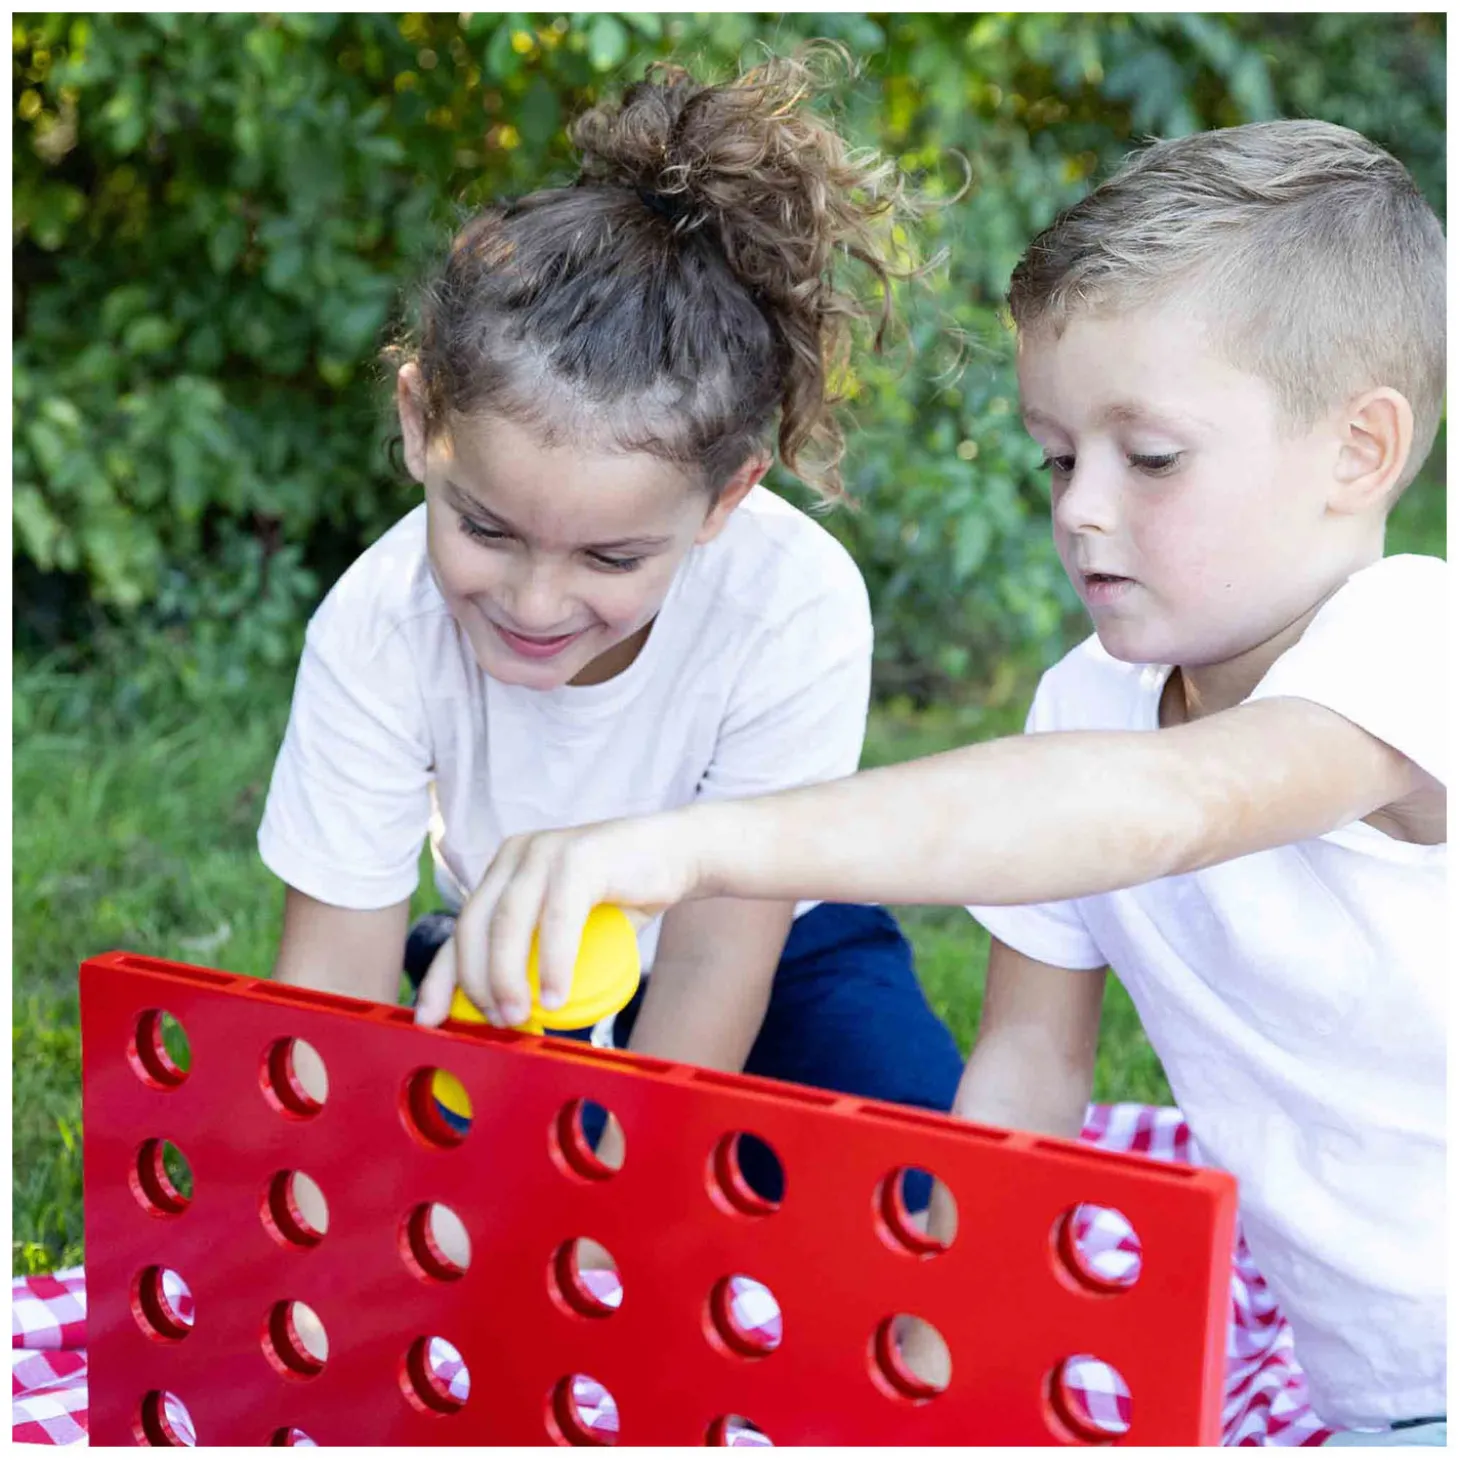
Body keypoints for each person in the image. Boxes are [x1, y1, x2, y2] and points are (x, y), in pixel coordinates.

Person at [440, 121, 1446, 1441]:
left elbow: (1160, 807)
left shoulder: (1416, 641)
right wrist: (921, 1363)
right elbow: (1028, 1070)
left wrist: (688, 847)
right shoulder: (1085, 704)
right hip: (1384, 1395)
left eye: (1148, 458)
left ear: (1358, 453)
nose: (1081, 508)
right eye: (1056, 455)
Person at [258, 49, 965, 1204]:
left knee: (910, 1188)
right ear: (418, 423)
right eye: (485, 527)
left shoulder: (794, 601)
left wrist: (614, 1209)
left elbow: (713, 963)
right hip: (523, 946)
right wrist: (308, 1211)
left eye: (610, 555)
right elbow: (325, 989)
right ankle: (463, 978)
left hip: (770, 946)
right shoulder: (375, 626)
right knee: (453, 1182)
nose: (535, 604)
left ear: (725, 499)